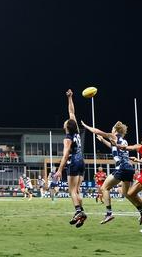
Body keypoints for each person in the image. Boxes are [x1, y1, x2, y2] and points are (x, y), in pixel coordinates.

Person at [82, 121, 135, 224]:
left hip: (121, 167)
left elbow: (97, 131)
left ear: (115, 130)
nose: (111, 130)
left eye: (112, 129)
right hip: (129, 168)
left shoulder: (113, 136)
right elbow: (113, 147)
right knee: (126, 193)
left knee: (104, 188)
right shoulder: (123, 141)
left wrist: (85, 126)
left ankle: (109, 213)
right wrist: (103, 141)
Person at [54, 89, 86, 228]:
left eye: (65, 122)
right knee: (77, 191)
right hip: (82, 161)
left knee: (71, 191)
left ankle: (78, 211)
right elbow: (72, 112)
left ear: (67, 126)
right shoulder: (76, 131)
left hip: (73, 162)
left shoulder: (67, 138)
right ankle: (81, 214)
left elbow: (65, 154)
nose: (65, 122)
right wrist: (70, 98)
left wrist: (60, 170)